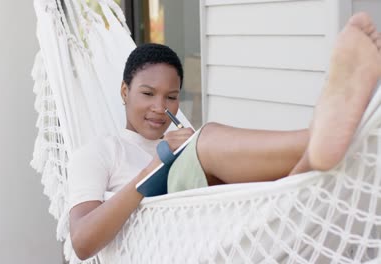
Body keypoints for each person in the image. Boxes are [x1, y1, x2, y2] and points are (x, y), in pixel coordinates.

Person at [67, 12, 381, 260]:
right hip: (173, 242)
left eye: (171, 97)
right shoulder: (101, 151)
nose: (160, 107)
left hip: (232, 232)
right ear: (125, 91)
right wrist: (154, 169)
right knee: (208, 138)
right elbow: (82, 242)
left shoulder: (180, 136)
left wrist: (187, 151)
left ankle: (317, 152)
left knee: (285, 186)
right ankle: (321, 137)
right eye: (148, 93)